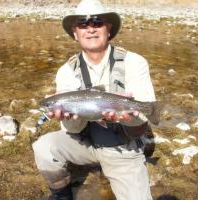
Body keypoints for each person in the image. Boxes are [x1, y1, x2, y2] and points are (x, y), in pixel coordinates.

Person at [32, 0, 156, 199]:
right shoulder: (66, 71)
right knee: (44, 147)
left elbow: (141, 124)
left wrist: (128, 117)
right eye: (83, 24)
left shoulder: (134, 62)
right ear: (75, 33)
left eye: (97, 23)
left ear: (109, 29)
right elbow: (72, 130)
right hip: (85, 143)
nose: (90, 29)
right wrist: (68, 118)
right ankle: (61, 194)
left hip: (123, 148)